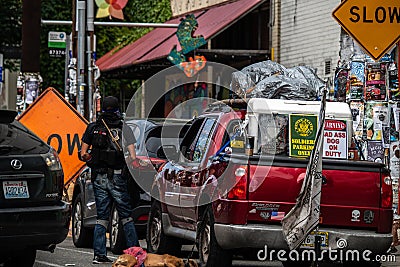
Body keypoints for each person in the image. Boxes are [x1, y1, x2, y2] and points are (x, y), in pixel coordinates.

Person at [80, 96, 140, 264]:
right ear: (117, 109)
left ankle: (99, 254)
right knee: (126, 215)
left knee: (102, 216)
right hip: (118, 176)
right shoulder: (124, 128)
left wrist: (93, 158)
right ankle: (135, 253)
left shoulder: (93, 128)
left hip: (99, 177)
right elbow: (133, 157)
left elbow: (83, 153)